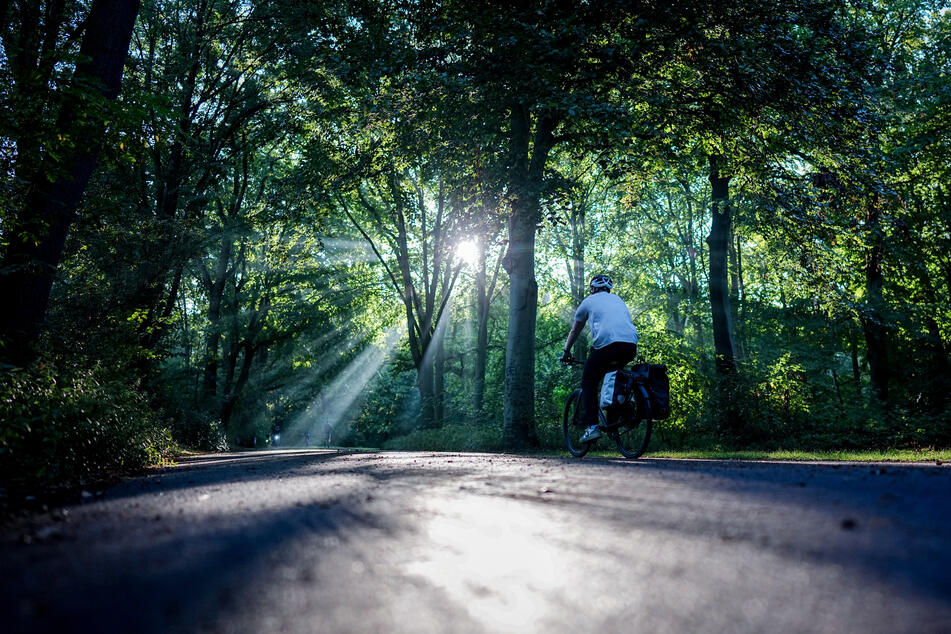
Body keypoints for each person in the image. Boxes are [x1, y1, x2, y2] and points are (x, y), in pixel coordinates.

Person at [560, 274, 638, 443]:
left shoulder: (588, 301)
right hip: (630, 345)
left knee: (589, 382)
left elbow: (575, 330)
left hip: (608, 345)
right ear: (608, 289)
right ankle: (621, 413)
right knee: (613, 377)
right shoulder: (617, 299)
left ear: (592, 288)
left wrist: (566, 352)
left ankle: (592, 427)